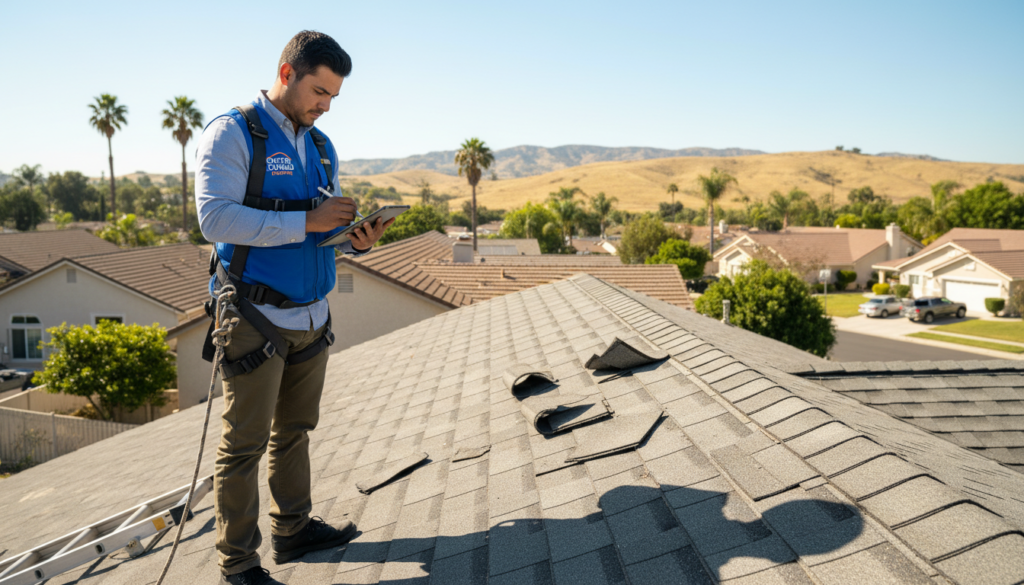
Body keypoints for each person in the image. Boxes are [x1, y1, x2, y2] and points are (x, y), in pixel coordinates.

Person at [195, 30, 393, 585]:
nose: (325, 105)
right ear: (287, 75)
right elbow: (215, 219)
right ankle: (237, 565)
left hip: (311, 316)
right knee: (244, 446)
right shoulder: (233, 134)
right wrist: (307, 220)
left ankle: (293, 530)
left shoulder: (321, 145)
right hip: (256, 318)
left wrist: (352, 237)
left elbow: (315, 229)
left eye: (333, 97)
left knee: (295, 430)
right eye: (318, 91)